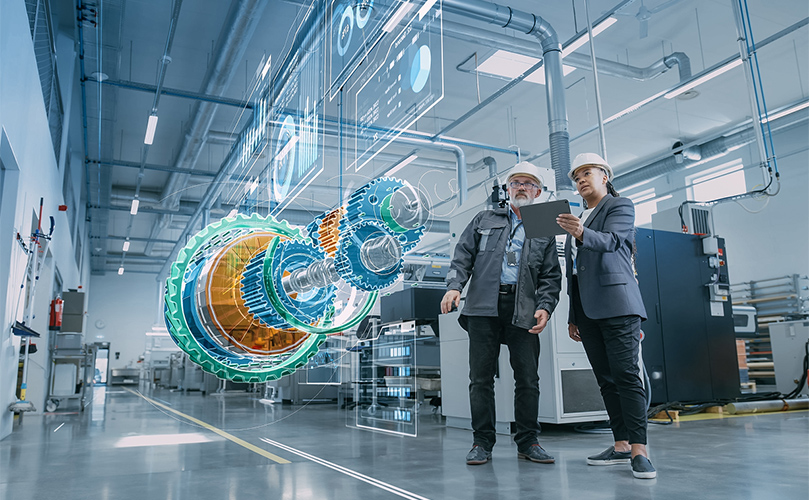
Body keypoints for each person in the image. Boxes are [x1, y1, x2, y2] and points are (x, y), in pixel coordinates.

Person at [441, 161, 562, 466]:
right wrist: (455, 286)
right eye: (516, 182)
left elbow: (551, 275)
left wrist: (545, 306)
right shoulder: (485, 218)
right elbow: (462, 256)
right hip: (483, 307)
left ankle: (528, 442)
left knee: (528, 379)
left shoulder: (543, 223)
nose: (521, 187)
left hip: (523, 307)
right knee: (480, 379)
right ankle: (482, 442)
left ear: (538, 191)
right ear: (508, 190)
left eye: (528, 183)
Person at [556, 152, 656, 479]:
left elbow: (613, 242)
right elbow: (574, 274)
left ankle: (640, 449)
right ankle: (622, 443)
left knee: (626, 375)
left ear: (604, 176)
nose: (581, 180)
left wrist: (580, 232)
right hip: (587, 311)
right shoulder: (579, 219)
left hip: (618, 305)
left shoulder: (620, 206)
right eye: (577, 177)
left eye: (587, 173)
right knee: (606, 379)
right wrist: (572, 316)